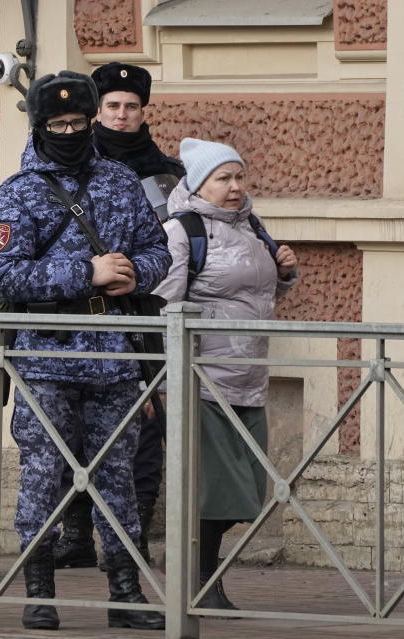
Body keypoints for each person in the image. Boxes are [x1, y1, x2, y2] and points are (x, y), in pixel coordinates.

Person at [0, 70, 170, 631]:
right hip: (48, 357)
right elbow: (5, 274)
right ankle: (39, 590)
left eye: (77, 123)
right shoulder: (21, 191)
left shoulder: (119, 180)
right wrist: (85, 272)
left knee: (117, 476)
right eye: (57, 124)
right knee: (44, 473)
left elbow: (158, 251)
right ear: (40, 126)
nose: (69, 132)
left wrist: (135, 275)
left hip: (114, 354)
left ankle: (126, 591)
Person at [151, 137, 299, 609]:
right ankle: (199, 583)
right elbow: (163, 308)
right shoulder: (182, 232)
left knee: (249, 487)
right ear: (199, 184)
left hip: (248, 376)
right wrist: (164, 381)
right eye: (223, 179)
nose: (235, 187)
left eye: (239, 177)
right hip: (202, 377)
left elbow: (255, 299)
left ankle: (196, 575)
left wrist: (285, 273)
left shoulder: (252, 225)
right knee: (216, 487)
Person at [53, 61, 183, 571]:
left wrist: (142, 276)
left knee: (143, 428)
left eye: (132, 107)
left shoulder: (170, 174)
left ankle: (131, 541)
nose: (122, 115)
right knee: (74, 428)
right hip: (78, 312)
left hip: (144, 314)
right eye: (112, 107)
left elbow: (172, 246)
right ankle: (77, 534)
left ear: (144, 111)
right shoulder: (66, 165)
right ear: (96, 112)